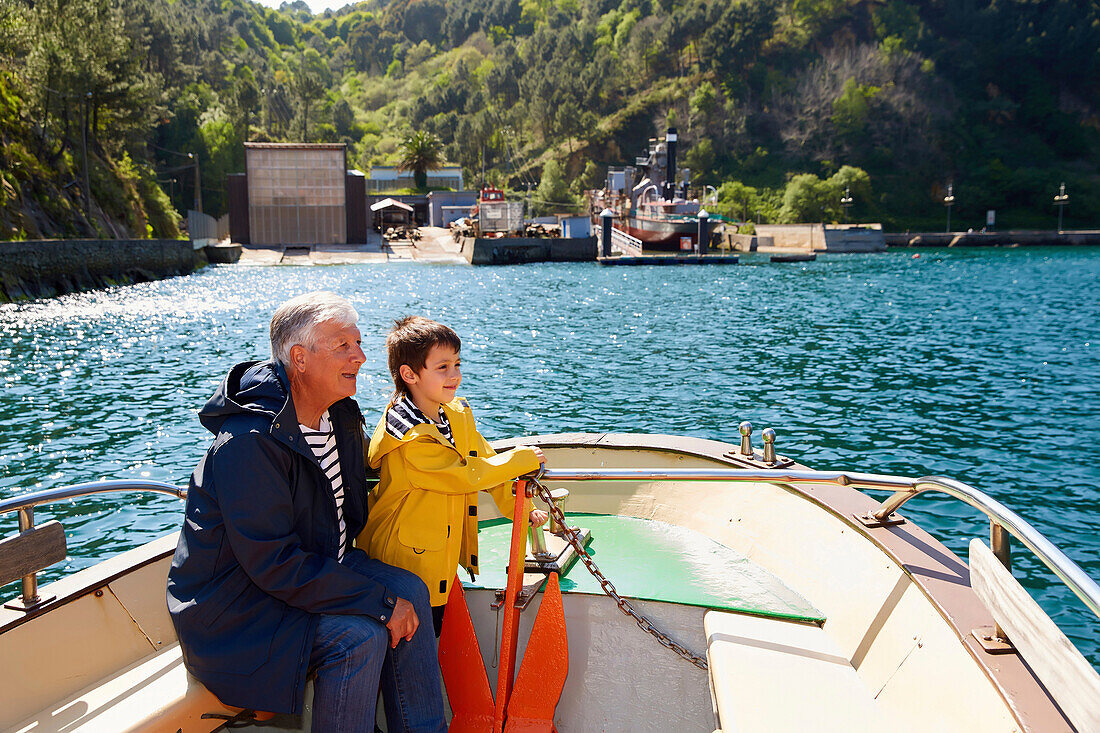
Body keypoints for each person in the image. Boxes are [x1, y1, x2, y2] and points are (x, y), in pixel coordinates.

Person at [166, 292, 445, 732]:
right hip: (240, 605)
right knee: (360, 637)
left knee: (411, 587)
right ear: (299, 357)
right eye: (343, 346)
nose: (361, 356)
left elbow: (349, 503)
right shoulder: (251, 442)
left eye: (358, 343)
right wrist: (378, 602)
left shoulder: (340, 417)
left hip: (316, 562)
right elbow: (273, 563)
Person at [357, 316, 547, 636]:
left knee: (432, 633)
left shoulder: (454, 413)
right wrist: (523, 459)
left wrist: (523, 511)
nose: (455, 375)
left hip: (434, 554)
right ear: (410, 374)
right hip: (403, 558)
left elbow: (484, 460)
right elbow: (462, 475)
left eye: (457, 364)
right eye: (442, 367)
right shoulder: (406, 433)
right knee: (413, 644)